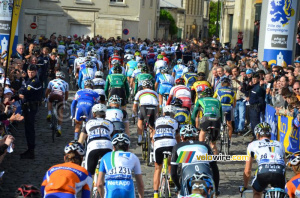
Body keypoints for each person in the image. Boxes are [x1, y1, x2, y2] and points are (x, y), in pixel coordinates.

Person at [170, 124, 219, 197]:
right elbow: (215, 169)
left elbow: (173, 173)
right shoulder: (204, 145)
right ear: (196, 137)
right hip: (205, 172)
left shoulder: (178, 146)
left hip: (188, 174)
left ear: (182, 137)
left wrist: (178, 187)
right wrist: (216, 189)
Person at [240, 122, 286, 198]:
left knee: (257, 192)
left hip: (263, 172)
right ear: (270, 135)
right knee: (280, 194)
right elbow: (284, 166)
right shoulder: (280, 144)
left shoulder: (252, 144)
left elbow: (247, 170)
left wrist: (245, 186)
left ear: (257, 135)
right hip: (279, 172)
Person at [97, 133, 144, 198]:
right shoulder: (134, 157)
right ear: (127, 147)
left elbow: (99, 183)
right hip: (127, 187)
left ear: (113, 147)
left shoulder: (105, 157)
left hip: (111, 188)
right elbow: (140, 184)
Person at [78, 104, 114, 175]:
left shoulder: (88, 123)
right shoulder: (110, 123)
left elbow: (81, 141)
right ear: (105, 114)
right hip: (107, 145)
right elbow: (113, 138)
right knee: (110, 172)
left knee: (89, 174)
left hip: (93, 145)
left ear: (94, 114)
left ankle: (91, 184)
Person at [153, 105, 179, 198]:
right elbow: (177, 136)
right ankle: (172, 178)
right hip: (171, 142)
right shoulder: (175, 121)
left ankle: (155, 193)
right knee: (172, 161)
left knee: (157, 168)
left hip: (158, 143)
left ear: (163, 113)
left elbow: (154, 132)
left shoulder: (157, 120)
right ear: (173, 114)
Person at [19, 65, 42, 159]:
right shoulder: (28, 80)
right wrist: (21, 92)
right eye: (29, 72)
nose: (30, 74)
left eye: (32, 72)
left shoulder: (36, 81)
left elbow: (26, 91)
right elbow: (22, 88)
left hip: (31, 108)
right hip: (27, 107)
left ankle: (31, 150)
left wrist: (22, 92)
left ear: (36, 72)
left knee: (30, 129)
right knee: (27, 129)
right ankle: (29, 149)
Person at [191, 87, 222, 155]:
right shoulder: (217, 101)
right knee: (213, 144)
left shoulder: (200, 100)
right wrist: (221, 124)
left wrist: (193, 125)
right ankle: (214, 162)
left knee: (202, 131)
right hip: (216, 120)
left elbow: (194, 114)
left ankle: (201, 147)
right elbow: (221, 115)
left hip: (206, 119)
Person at [133, 80, 159, 145]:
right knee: (152, 125)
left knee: (140, 120)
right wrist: (157, 114)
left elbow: (135, 105)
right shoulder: (155, 93)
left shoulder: (140, 92)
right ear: (151, 87)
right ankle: (153, 143)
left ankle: (139, 138)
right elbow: (158, 105)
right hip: (153, 107)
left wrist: (134, 114)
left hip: (144, 107)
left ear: (143, 87)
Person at [45, 71, 69, 136]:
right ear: (63, 78)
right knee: (60, 111)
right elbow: (66, 94)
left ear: (56, 76)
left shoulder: (51, 82)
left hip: (53, 94)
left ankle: (49, 113)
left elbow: (47, 91)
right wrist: (65, 101)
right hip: (61, 96)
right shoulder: (66, 83)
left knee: (49, 100)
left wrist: (46, 97)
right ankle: (59, 128)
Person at [213, 77, 236, 144]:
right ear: (229, 84)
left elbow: (214, 99)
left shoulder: (218, 90)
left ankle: (218, 135)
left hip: (221, 107)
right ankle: (229, 140)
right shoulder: (233, 91)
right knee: (229, 124)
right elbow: (234, 103)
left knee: (218, 122)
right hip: (229, 107)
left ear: (222, 84)